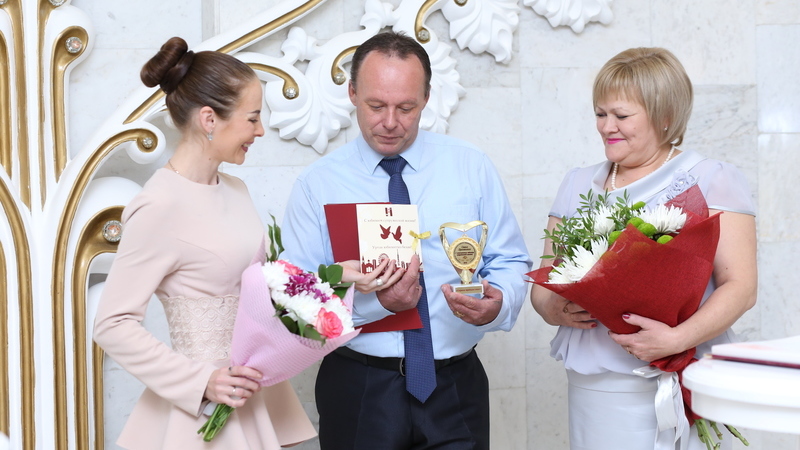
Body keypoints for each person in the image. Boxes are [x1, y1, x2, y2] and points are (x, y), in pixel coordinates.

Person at [281, 32, 531, 449]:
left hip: (456, 385)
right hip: (359, 388)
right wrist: (378, 305)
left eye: (406, 107)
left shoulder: (470, 166)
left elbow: (510, 260)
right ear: (352, 93)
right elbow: (298, 301)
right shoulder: (317, 185)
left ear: (427, 98)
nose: (390, 122)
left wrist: (499, 303)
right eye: (376, 105)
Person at [93, 37, 316, 449]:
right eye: (252, 118)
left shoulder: (235, 189)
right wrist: (202, 382)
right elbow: (112, 323)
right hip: (204, 408)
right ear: (209, 119)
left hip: (253, 390)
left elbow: (258, 287)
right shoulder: (158, 205)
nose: (260, 130)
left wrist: (334, 283)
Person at [530, 47, 758, 450]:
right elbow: (545, 284)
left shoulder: (712, 179)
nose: (606, 127)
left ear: (664, 115)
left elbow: (741, 287)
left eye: (621, 115)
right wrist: (555, 308)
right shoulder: (577, 183)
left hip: (684, 374)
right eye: (600, 113)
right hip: (596, 386)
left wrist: (677, 339)